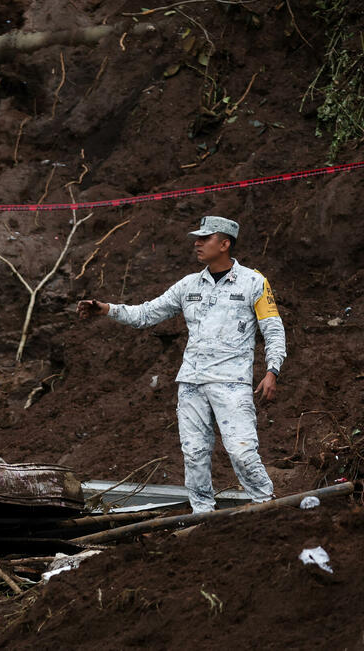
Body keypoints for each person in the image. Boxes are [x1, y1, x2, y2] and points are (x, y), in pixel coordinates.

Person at [77, 216, 286, 513]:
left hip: (232, 383)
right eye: (196, 239)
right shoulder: (188, 285)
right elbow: (145, 314)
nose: (197, 243)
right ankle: (203, 516)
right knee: (195, 453)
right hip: (191, 384)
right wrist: (105, 308)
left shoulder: (254, 282)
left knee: (242, 452)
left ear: (224, 244)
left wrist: (272, 370)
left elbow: (273, 329)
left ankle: (267, 508)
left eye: (205, 238)